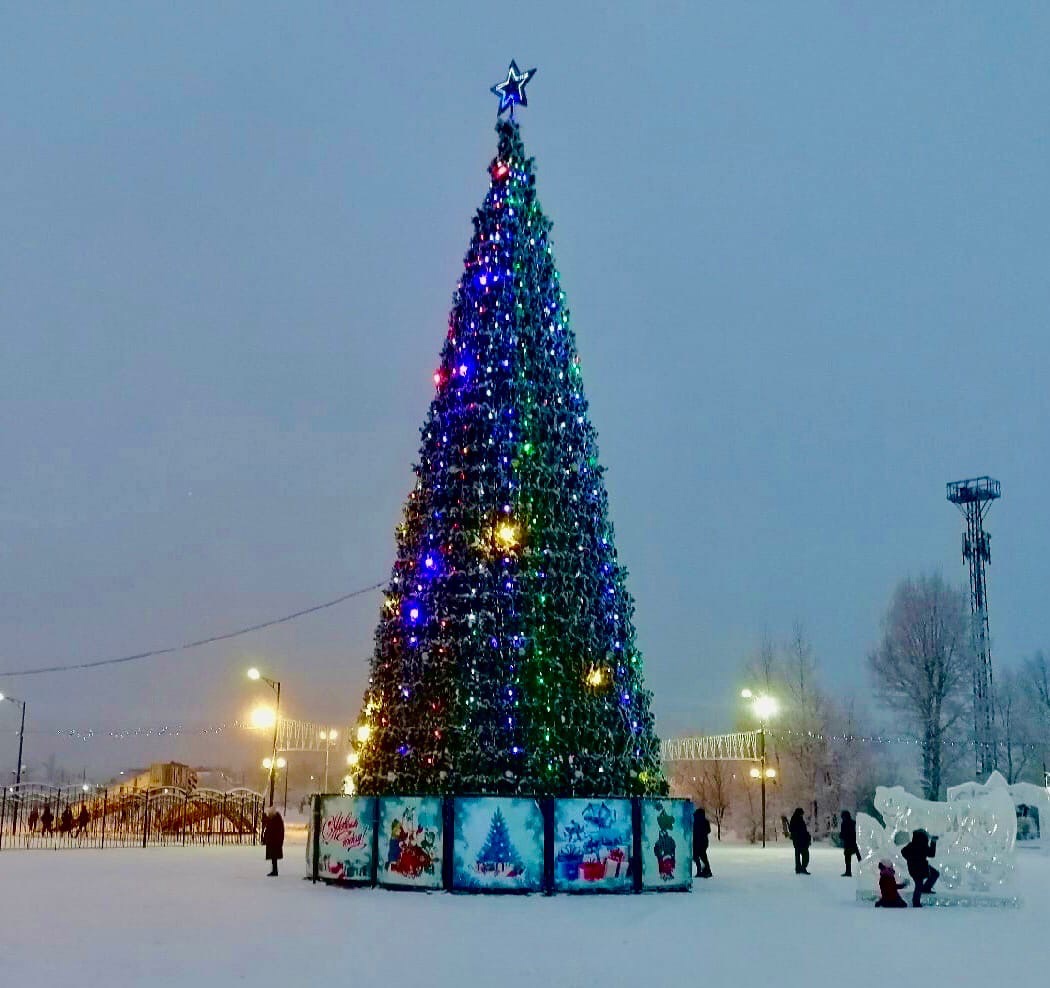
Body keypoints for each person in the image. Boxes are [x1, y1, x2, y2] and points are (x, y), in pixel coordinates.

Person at [901, 829, 939, 907]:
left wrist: (910, 858)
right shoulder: (922, 845)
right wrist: (933, 842)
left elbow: (903, 851)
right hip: (920, 869)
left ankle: (926, 889)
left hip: (915, 867)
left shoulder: (911, 845)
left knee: (933, 874)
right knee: (919, 885)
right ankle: (916, 903)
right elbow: (932, 854)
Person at [261, 806, 285, 877]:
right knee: (273, 857)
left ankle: (275, 871)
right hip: (273, 841)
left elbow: (276, 831)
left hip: (275, 841)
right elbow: (267, 829)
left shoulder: (276, 819)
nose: (269, 815)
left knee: (274, 857)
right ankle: (274, 870)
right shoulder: (273, 819)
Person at [789, 807, 811, 874]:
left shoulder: (797, 819)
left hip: (799, 841)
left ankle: (799, 869)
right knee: (805, 855)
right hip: (800, 841)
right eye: (802, 813)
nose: (802, 815)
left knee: (798, 855)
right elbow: (798, 830)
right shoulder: (796, 819)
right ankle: (802, 868)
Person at [839, 810, 861, 877]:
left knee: (848, 858)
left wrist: (841, 836)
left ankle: (848, 872)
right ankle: (864, 871)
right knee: (860, 858)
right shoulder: (854, 823)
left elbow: (843, 834)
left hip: (848, 843)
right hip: (855, 843)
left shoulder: (844, 824)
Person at [692, 806, 712, 878]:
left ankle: (701, 871)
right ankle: (706, 870)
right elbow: (708, 831)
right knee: (703, 856)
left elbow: (694, 832)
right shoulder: (705, 821)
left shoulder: (695, 821)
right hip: (704, 842)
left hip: (697, 841)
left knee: (696, 856)